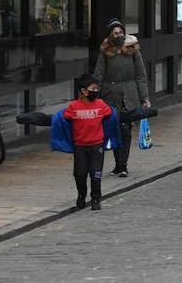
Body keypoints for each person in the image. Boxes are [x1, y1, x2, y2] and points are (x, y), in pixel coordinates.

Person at [92, 18, 150, 177]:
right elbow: (99, 74)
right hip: (110, 95)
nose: (119, 35)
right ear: (110, 35)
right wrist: (93, 95)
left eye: (121, 32)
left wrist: (144, 97)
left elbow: (141, 75)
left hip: (129, 95)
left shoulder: (132, 49)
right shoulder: (105, 51)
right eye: (115, 33)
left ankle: (123, 164)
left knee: (125, 129)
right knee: (114, 129)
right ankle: (118, 164)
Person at [61, 74, 115, 211]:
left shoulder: (101, 104)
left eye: (97, 89)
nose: (96, 91)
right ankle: (81, 195)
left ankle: (96, 198)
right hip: (80, 146)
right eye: (93, 89)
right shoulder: (74, 106)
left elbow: (111, 115)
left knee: (96, 174)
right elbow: (63, 119)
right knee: (80, 174)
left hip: (97, 145)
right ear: (84, 91)